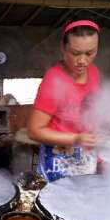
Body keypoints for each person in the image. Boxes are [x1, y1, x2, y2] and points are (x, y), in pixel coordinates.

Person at [27, 19, 101, 182]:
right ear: (63, 48)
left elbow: (91, 108)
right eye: (75, 53)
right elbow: (33, 131)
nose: (82, 61)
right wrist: (75, 139)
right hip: (57, 161)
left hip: (86, 157)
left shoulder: (94, 72)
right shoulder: (54, 80)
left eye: (90, 53)